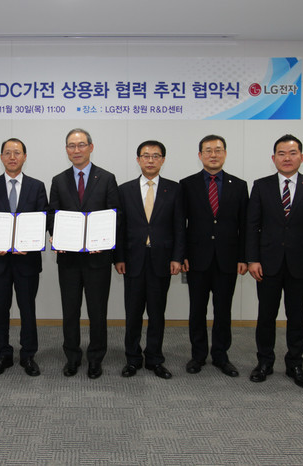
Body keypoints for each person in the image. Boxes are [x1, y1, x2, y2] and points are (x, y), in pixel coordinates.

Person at [246, 134, 303, 389]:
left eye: (292, 153)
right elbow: (252, 226)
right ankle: (264, 362)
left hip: (301, 264)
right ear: (273, 158)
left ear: (302, 157)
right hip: (267, 264)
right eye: (281, 153)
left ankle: (295, 364)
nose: (287, 158)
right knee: (265, 316)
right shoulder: (261, 185)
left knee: (297, 317)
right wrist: (252, 259)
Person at [48, 128, 119, 379]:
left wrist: (107, 241)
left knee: (97, 312)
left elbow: (114, 215)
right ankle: (72, 357)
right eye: (71, 145)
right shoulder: (59, 180)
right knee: (70, 311)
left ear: (91, 147)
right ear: (66, 150)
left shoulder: (107, 178)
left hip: (98, 258)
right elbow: (52, 215)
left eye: (80, 145)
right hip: (68, 258)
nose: (76, 150)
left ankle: (96, 358)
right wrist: (55, 235)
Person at [0, 138, 48, 377]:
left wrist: (31, 243)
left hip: (27, 261)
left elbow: (43, 220)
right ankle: (3, 355)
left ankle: (28, 355)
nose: (12, 157)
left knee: (28, 310)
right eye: (7, 153)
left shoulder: (37, 186)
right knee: (0, 310)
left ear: (25, 157)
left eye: (17, 152)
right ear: (1, 157)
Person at [115, 140, 185, 379]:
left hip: (162, 260)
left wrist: (177, 257)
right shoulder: (124, 190)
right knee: (133, 313)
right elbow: (119, 228)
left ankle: (155, 359)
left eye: (156, 156)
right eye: (146, 156)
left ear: (163, 160)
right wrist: (119, 258)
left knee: (157, 313)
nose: (151, 160)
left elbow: (179, 226)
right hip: (133, 259)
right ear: (138, 160)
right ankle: (132, 359)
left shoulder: (174, 189)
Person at [180, 135, 248, 377]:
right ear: (200, 155)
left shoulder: (239, 185)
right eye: (208, 150)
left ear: (225, 154)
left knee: (223, 311)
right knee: (197, 310)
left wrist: (243, 257)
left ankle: (221, 355)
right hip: (196, 259)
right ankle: (198, 355)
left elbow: (245, 225)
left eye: (218, 150)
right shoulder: (186, 185)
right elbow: (180, 224)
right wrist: (182, 254)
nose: (213, 154)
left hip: (227, 259)